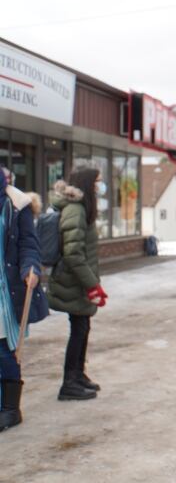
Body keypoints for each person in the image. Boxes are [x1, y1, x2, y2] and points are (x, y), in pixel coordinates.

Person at [48, 169, 107, 401]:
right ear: (88, 184)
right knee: (79, 328)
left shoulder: (82, 208)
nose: (100, 187)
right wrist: (92, 284)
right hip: (74, 282)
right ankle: (69, 383)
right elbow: (73, 254)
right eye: (97, 183)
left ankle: (78, 375)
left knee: (83, 327)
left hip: (79, 282)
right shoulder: (75, 209)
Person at [0, 169, 48, 432]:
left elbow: (29, 244)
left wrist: (30, 268)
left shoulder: (16, 203)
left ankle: (10, 409)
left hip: (4, 289)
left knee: (4, 348)